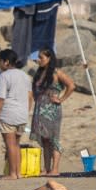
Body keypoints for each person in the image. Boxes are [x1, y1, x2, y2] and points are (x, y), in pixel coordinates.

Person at [29, 48, 76, 176]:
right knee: (44, 139)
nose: (38, 60)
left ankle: (55, 169)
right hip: (40, 109)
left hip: (52, 110)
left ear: (49, 59)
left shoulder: (57, 72)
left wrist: (61, 99)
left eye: (41, 57)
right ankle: (46, 168)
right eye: (38, 57)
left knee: (53, 139)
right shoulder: (39, 73)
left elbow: (71, 85)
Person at [0, 49, 33, 180]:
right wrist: (26, 111)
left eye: (0, 61)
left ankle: (12, 173)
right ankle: (18, 173)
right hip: (22, 114)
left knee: (10, 144)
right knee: (16, 144)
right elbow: (30, 96)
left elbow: (0, 98)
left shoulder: (4, 76)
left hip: (9, 113)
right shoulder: (25, 75)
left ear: (6, 62)